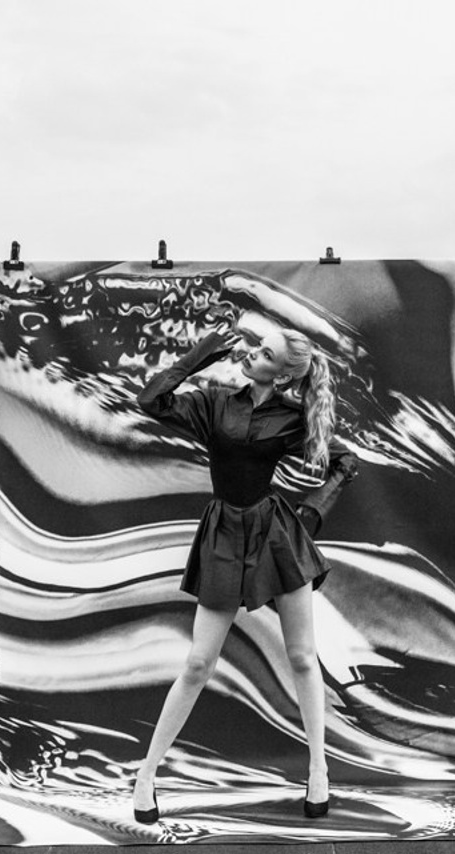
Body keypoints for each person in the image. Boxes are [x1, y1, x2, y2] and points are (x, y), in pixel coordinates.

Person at [131, 309, 358, 824]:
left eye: (265, 353)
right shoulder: (213, 402)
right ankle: (146, 775)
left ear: (280, 375)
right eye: (256, 347)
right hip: (224, 535)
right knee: (197, 664)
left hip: (278, 536)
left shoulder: (293, 418)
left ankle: (318, 771)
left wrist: (314, 511)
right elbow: (150, 400)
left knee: (302, 657)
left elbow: (345, 463)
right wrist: (202, 354)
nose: (252, 352)